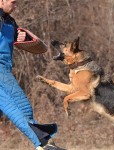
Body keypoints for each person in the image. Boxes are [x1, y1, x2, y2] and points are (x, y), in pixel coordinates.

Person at [0, 0, 66, 150]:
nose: (16, 6)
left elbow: (13, 35)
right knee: (20, 106)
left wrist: (20, 36)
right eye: (13, 2)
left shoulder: (9, 20)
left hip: (5, 67)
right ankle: (44, 143)